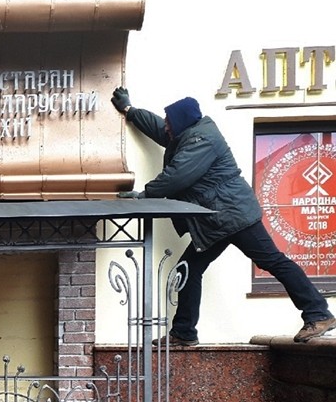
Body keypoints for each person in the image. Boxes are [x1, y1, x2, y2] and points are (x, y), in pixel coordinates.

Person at [111, 87, 335, 345]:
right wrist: (130, 110)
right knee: (188, 269)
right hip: (216, 221)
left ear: (181, 123)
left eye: (169, 122)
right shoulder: (187, 133)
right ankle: (184, 332)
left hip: (234, 216)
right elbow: (160, 129)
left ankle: (318, 314)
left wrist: (144, 195)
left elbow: (177, 176)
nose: (166, 126)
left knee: (272, 261)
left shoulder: (201, 141)